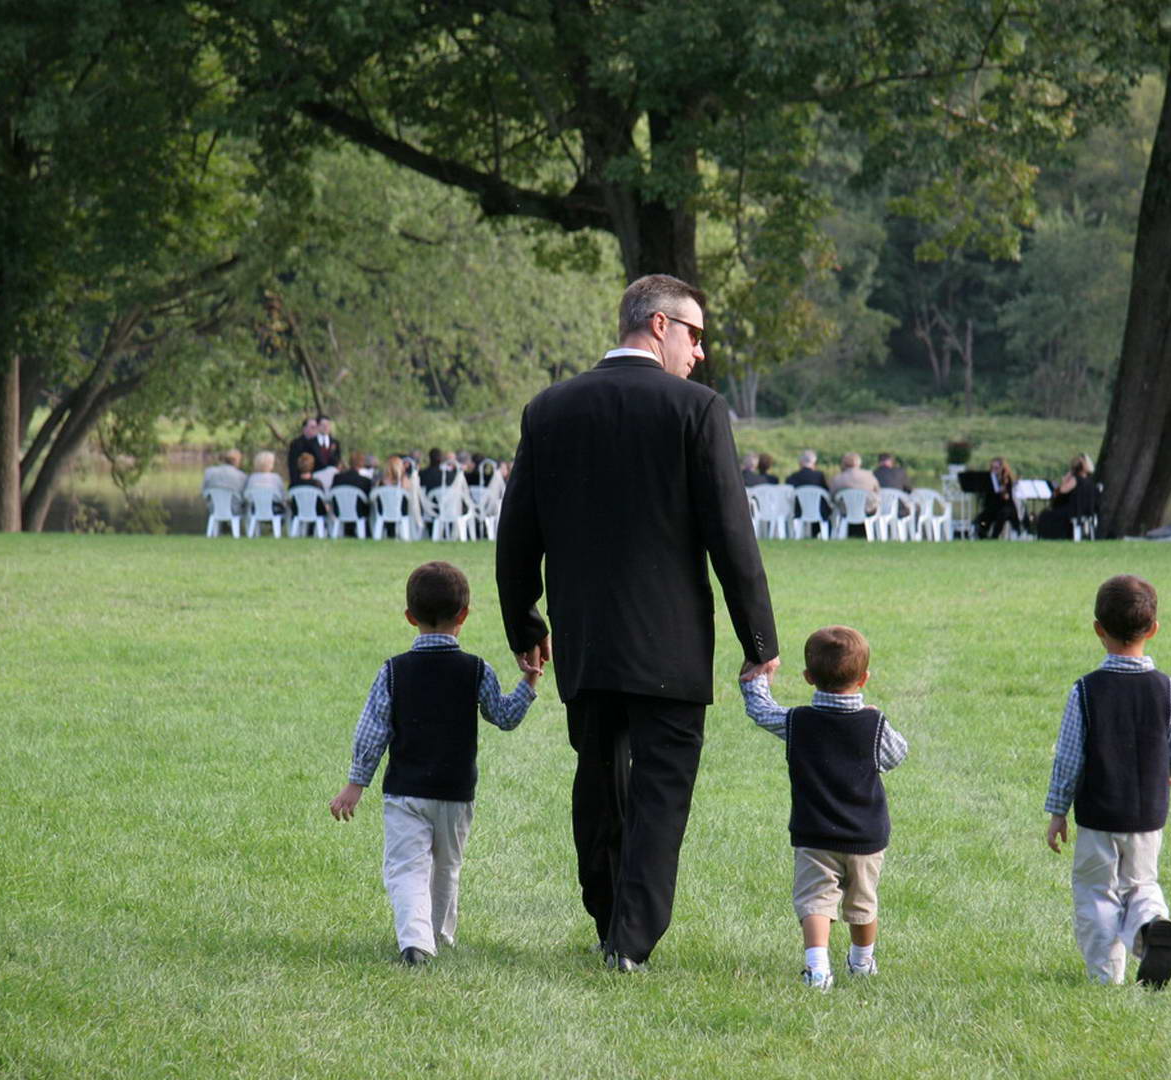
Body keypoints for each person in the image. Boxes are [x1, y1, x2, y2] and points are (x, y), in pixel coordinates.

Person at [497, 273, 779, 973]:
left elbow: (515, 534)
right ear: (658, 325)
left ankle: (607, 921)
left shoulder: (549, 409)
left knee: (597, 781)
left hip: (586, 638)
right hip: (670, 643)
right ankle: (632, 940)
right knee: (660, 792)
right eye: (695, 333)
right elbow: (730, 536)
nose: (700, 352)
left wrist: (524, 624)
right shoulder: (697, 410)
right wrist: (759, 642)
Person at [330, 562, 542, 966]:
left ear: (410, 617)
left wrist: (356, 783)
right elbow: (504, 716)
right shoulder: (477, 669)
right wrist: (529, 684)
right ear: (464, 616)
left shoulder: (394, 671)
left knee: (406, 868)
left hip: (405, 792)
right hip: (456, 792)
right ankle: (439, 936)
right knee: (447, 867)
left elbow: (372, 731)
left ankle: (416, 942)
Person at [1044, 574, 1171, 989]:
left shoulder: (1086, 691)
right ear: (1153, 629)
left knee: (1097, 893)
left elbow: (1069, 758)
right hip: (1148, 814)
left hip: (1097, 815)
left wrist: (1058, 811)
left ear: (1098, 629)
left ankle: (1105, 976)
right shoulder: (1167, 689)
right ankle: (1149, 927)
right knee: (1141, 884)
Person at [741, 625, 907, 991]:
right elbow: (896, 756)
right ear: (864, 678)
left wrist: (755, 678)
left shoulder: (797, 721)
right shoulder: (873, 723)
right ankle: (862, 962)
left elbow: (761, 710)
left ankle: (817, 969)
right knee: (863, 904)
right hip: (865, 836)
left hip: (814, 833)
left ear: (807, 677)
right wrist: (880, 720)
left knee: (815, 901)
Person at [1035, 453, 1097, 540]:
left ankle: (1051, 536)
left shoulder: (1076, 479)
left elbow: (1062, 490)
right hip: (1086, 510)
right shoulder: (1090, 481)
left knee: (1045, 515)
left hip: (1075, 511)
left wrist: (1065, 479)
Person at [973, 456, 1021, 539]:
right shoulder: (989, 479)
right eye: (992, 468)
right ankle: (982, 535)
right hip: (993, 507)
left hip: (1006, 507)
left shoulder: (1007, 479)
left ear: (1002, 468)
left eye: (997, 468)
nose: (994, 470)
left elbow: (1007, 498)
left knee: (1002, 515)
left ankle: (994, 537)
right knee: (982, 518)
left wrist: (1003, 491)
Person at [829, 451, 881, 517]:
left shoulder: (837, 478)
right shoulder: (869, 475)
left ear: (843, 463)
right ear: (859, 463)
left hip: (846, 512)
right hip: (867, 511)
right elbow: (878, 493)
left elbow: (832, 497)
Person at [785, 450, 830, 521]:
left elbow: (788, 497)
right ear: (814, 463)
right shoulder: (820, 476)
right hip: (819, 512)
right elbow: (827, 493)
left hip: (799, 512)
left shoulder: (791, 478)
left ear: (800, 463)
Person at [245, 450, 286, 516]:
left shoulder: (252, 478)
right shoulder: (276, 478)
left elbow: (246, 496)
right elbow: (283, 496)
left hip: (255, 509)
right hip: (275, 510)